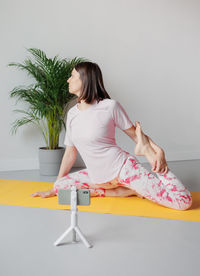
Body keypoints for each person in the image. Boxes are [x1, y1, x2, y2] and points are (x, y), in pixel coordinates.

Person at [31, 62, 192, 210]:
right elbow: (70, 153)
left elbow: (136, 136)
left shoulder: (109, 106)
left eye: (72, 76)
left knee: (182, 202)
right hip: (97, 176)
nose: (68, 80)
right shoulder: (72, 114)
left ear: (85, 80)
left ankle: (141, 181)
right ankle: (124, 191)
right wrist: (55, 187)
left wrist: (157, 151)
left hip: (123, 169)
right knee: (62, 187)